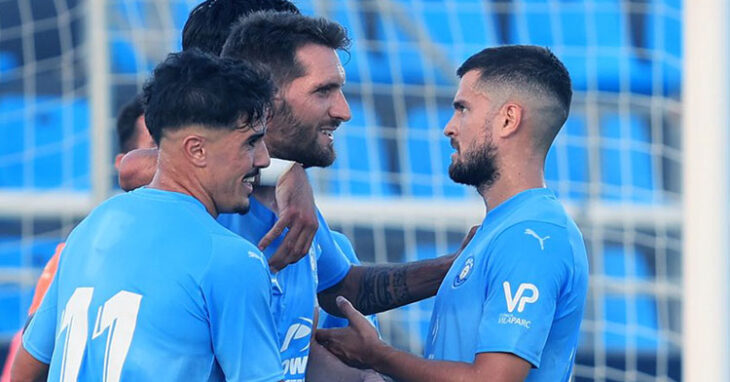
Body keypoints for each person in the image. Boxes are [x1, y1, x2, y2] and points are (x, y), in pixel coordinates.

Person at [119, 6, 466, 381]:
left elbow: (343, 289)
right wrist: (285, 171)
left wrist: (458, 267)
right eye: (323, 91)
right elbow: (133, 166)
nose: (345, 111)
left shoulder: (303, 218)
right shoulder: (203, 205)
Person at [316, 45, 590, 382]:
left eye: (462, 109)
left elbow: (491, 380)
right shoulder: (497, 232)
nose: (449, 127)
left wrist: (379, 356)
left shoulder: (533, 236)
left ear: (508, 119)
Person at [11, 49, 284, 381]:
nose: (264, 160)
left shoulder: (92, 226)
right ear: (196, 149)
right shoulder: (230, 258)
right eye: (251, 142)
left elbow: (25, 369)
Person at [0, 95, 155, 382]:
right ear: (124, 165)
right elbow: (20, 371)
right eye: (154, 149)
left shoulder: (221, 246)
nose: (169, 165)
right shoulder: (74, 252)